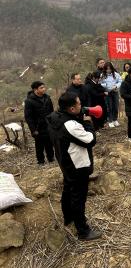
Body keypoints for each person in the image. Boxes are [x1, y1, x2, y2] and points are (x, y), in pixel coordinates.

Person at [47, 92, 101, 241]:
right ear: (71, 109)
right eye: (78, 104)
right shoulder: (70, 124)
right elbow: (90, 140)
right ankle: (83, 231)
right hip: (77, 165)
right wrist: (88, 123)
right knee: (79, 197)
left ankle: (68, 218)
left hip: (65, 162)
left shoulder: (54, 117)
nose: (81, 105)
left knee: (68, 190)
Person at [24, 81, 55, 166]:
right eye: (41, 88)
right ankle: (41, 161)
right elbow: (28, 117)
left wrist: (52, 123)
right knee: (39, 145)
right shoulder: (29, 101)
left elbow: (52, 112)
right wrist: (33, 130)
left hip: (48, 125)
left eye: (44, 87)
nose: (44, 89)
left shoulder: (47, 98)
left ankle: (51, 158)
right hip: (38, 127)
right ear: (35, 89)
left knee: (49, 143)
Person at [101, 62, 122, 128]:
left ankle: (115, 119)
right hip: (107, 93)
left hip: (115, 92)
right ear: (105, 69)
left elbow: (120, 81)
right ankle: (110, 120)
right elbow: (100, 83)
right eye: (107, 69)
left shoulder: (116, 74)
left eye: (110, 69)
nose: (108, 70)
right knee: (109, 106)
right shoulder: (102, 75)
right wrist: (106, 86)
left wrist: (116, 86)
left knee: (115, 106)